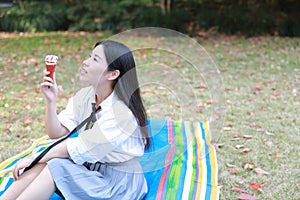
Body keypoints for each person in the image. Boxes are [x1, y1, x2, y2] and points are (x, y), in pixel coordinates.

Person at [0, 40, 150, 200]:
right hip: (93, 169)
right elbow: (56, 132)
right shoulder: (86, 97)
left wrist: (32, 159)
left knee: (55, 165)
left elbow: (73, 147)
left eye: (95, 60)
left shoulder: (121, 115)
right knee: (49, 161)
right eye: (89, 56)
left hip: (118, 184)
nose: (85, 62)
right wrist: (50, 100)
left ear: (113, 74)